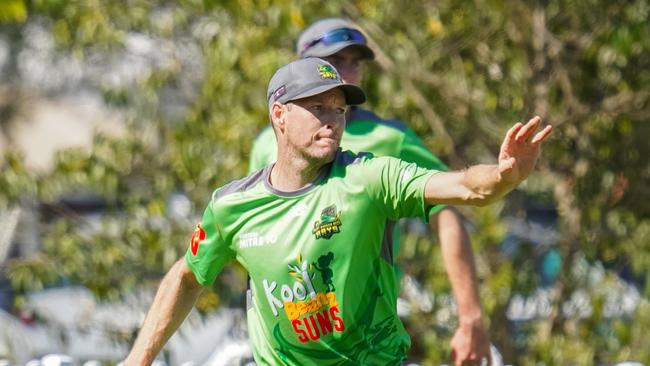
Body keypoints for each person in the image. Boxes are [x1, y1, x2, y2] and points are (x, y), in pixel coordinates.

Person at [124, 57, 552, 365]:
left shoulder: (369, 179)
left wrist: (505, 177)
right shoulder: (231, 207)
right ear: (279, 115)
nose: (332, 120)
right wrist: (136, 361)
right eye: (317, 108)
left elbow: (463, 187)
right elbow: (186, 276)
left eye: (339, 109)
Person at [248, 17, 490, 364]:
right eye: (335, 61)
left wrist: (471, 318)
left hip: (366, 339)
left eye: (355, 62)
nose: (347, 71)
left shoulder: (390, 139)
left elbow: (446, 211)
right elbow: (250, 231)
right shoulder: (264, 146)